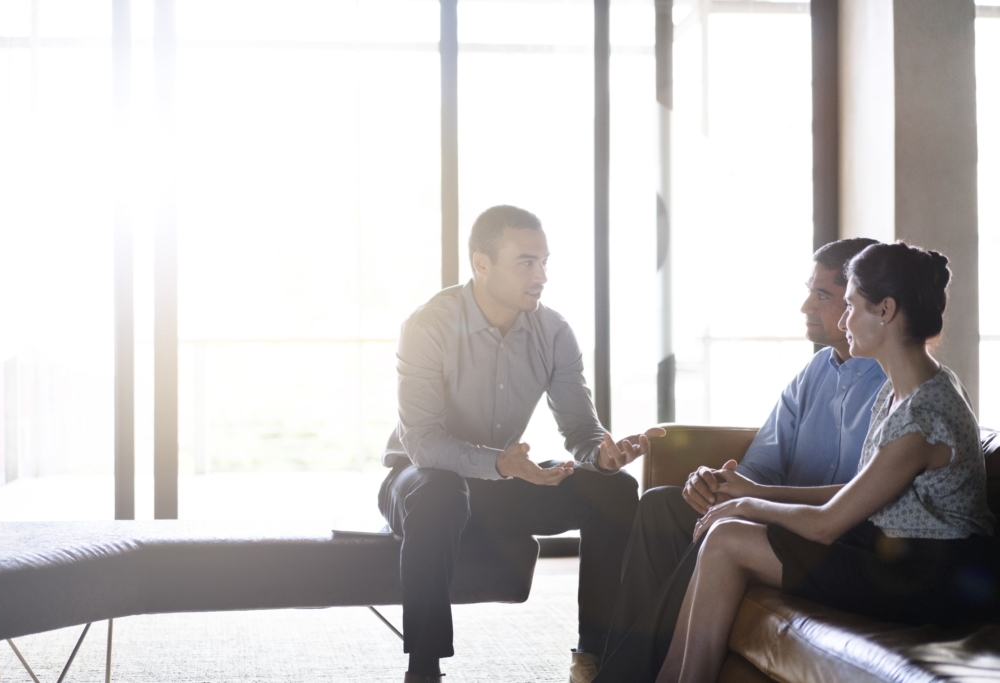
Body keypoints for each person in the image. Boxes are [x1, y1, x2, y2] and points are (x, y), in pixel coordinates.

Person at [655, 241, 997, 683]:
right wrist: (755, 491)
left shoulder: (923, 414)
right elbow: (861, 494)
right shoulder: (902, 390)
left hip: (928, 576)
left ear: (885, 311)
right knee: (725, 533)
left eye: (850, 305)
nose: (844, 319)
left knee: (726, 539)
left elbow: (827, 524)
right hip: (892, 552)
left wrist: (747, 506)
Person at [379, 205, 656, 683]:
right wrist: (501, 465)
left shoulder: (553, 332)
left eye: (545, 262)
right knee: (440, 490)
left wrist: (602, 455)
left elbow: (581, 430)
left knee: (612, 490)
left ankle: (595, 657)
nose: (541, 275)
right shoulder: (429, 325)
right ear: (480, 264)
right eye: (526, 262)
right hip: (421, 482)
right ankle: (423, 668)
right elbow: (423, 443)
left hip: (496, 484)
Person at [595, 237, 887, 683]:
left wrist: (751, 499)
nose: (806, 305)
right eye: (810, 290)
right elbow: (761, 464)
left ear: (858, 303)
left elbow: (863, 499)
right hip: (773, 516)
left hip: (827, 534)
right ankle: (623, 667)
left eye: (824, 295)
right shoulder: (813, 373)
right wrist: (717, 483)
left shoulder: (896, 384)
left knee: (722, 531)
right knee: (661, 506)